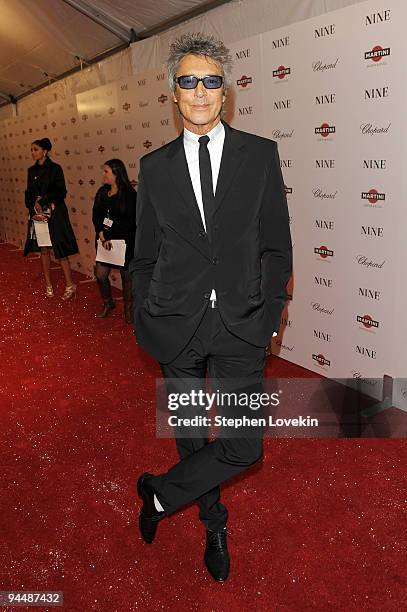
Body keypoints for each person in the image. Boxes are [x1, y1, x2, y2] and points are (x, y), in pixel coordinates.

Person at [130, 33, 292, 582]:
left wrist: (269, 315)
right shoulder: (153, 168)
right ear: (174, 93)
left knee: (245, 448)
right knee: (192, 434)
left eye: (211, 81)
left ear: (227, 92)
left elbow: (277, 245)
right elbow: (144, 254)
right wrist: (144, 320)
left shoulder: (261, 154)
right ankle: (213, 521)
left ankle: (158, 494)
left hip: (242, 324)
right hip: (174, 323)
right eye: (188, 81)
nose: (199, 91)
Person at [24, 138, 79, 299]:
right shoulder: (31, 171)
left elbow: (61, 191)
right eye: (32, 149)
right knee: (44, 249)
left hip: (56, 213)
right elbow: (29, 193)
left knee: (60, 250)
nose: (33, 152)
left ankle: (70, 285)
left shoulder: (56, 169)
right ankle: (48, 284)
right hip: (38, 214)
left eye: (36, 149)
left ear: (45, 151)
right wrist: (32, 207)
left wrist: (43, 201)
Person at [92, 159, 137, 322]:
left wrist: (109, 234)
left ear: (116, 174)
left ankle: (128, 310)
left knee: (127, 276)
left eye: (106, 171)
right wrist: (100, 232)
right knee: (101, 274)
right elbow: (96, 215)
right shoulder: (102, 192)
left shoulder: (130, 195)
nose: (103, 174)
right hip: (104, 240)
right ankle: (108, 303)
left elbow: (131, 221)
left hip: (125, 241)